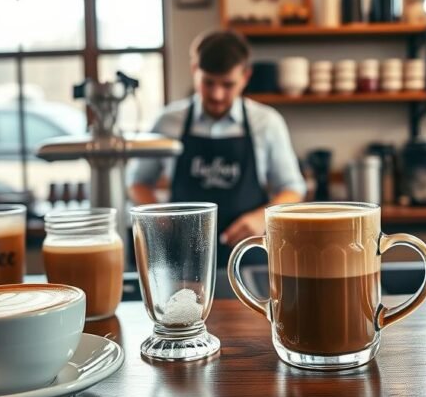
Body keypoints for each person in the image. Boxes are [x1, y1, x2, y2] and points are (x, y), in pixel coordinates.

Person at [128, 29, 306, 262]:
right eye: (208, 82)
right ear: (194, 71)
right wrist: (161, 218)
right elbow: (136, 182)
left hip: (248, 257)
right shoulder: (168, 122)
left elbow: (293, 188)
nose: (217, 94)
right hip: (182, 261)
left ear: (245, 77)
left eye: (228, 84)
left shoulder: (267, 122)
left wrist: (262, 218)